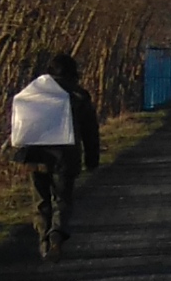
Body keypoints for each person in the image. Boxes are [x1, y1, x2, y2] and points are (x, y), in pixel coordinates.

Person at [9, 53, 104, 256]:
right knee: (62, 199)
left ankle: (43, 240)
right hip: (65, 157)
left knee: (41, 201)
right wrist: (92, 159)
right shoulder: (78, 95)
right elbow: (90, 130)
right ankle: (57, 234)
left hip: (34, 157)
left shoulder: (33, 92)